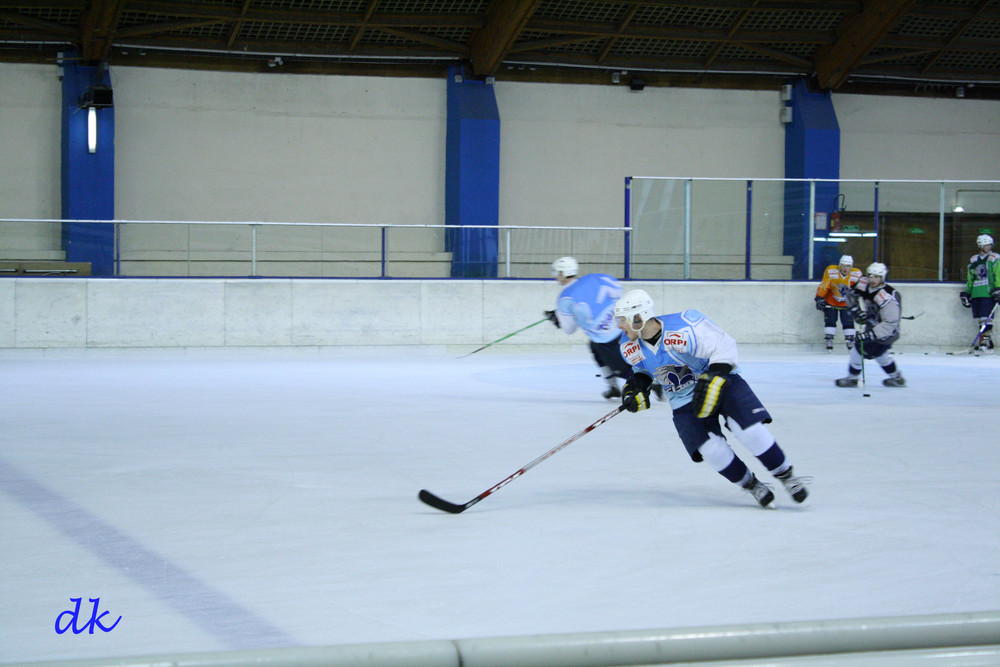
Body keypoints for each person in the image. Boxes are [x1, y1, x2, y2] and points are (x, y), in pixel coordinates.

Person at [612, 289, 809, 509]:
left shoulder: (685, 326)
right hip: (683, 400)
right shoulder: (627, 346)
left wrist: (716, 375)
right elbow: (644, 370)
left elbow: (722, 345)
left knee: (750, 430)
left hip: (719, 382)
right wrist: (636, 386)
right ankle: (751, 485)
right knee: (711, 450)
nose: (619, 326)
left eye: (622, 320)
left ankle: (786, 476)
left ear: (638, 318)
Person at [544, 257, 640, 400]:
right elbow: (617, 291)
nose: (556, 276)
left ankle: (653, 384)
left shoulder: (565, 298)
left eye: (557, 273)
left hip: (607, 338)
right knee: (595, 349)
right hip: (624, 328)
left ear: (563, 274)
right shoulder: (594, 278)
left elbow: (569, 329)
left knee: (623, 370)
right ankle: (613, 387)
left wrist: (557, 319)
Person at [835, 262, 905, 387]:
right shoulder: (864, 284)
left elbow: (890, 323)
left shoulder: (887, 296)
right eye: (871, 276)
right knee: (881, 355)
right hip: (873, 327)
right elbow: (851, 296)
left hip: (886, 332)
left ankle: (852, 378)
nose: (873, 279)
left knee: (858, 350)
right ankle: (897, 378)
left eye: (877, 277)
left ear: (882, 278)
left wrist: (871, 334)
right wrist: (856, 311)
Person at [815, 254, 863, 351]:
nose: (845, 268)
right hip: (831, 301)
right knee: (830, 320)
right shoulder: (831, 271)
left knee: (848, 322)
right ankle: (829, 339)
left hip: (846, 303)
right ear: (839, 265)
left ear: (851, 267)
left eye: (848, 266)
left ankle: (850, 340)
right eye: (843, 265)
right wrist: (819, 297)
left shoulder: (856, 274)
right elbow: (825, 285)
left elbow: (860, 290)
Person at [959, 234, 998, 352]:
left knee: (987, 318)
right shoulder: (973, 259)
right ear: (980, 245)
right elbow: (971, 277)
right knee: (980, 319)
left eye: (990, 244)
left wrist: (998, 288)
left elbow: (998, 274)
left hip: (988, 293)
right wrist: (967, 292)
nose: (989, 247)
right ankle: (983, 340)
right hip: (976, 292)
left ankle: (986, 340)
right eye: (986, 245)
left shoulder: (995, 257)